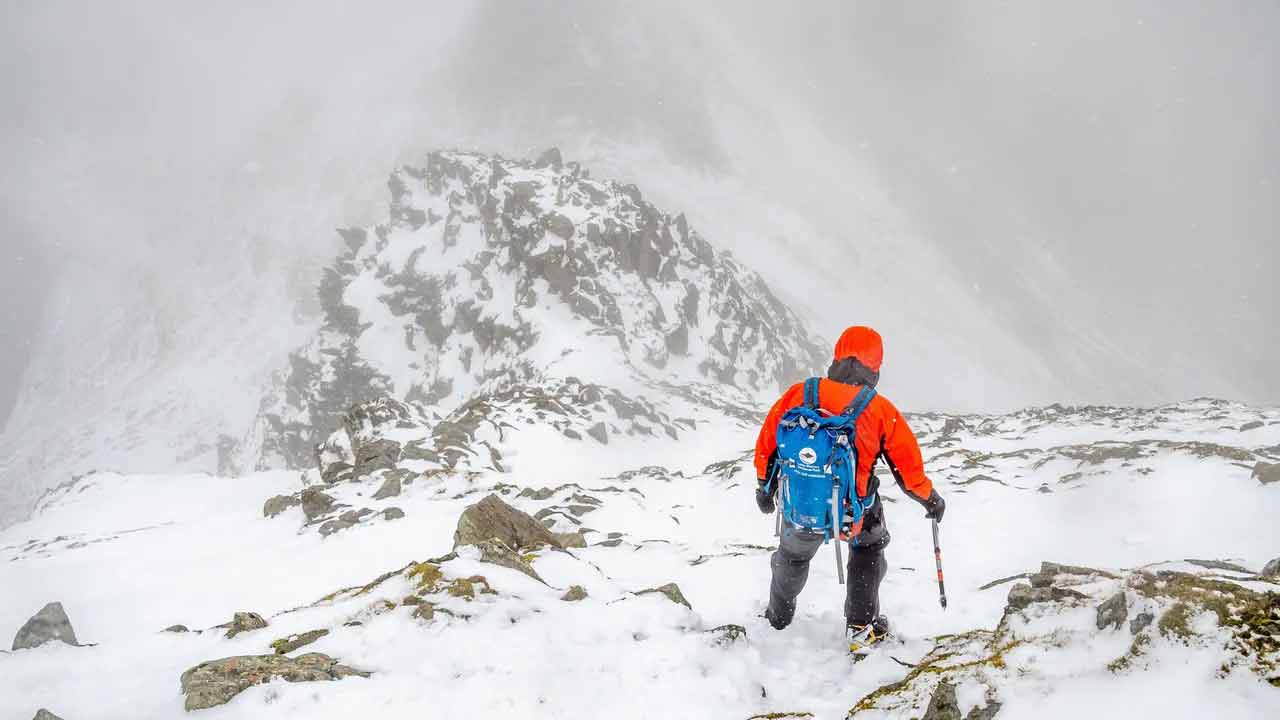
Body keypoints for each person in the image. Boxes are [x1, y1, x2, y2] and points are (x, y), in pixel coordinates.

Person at [753, 325, 945, 651]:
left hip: (802, 503)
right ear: (874, 368)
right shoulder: (879, 409)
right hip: (852, 513)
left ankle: (777, 617)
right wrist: (931, 500)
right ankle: (860, 628)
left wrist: (764, 488)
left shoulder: (800, 393)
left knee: (792, 556)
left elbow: (768, 443)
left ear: (838, 356)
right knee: (868, 548)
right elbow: (908, 473)